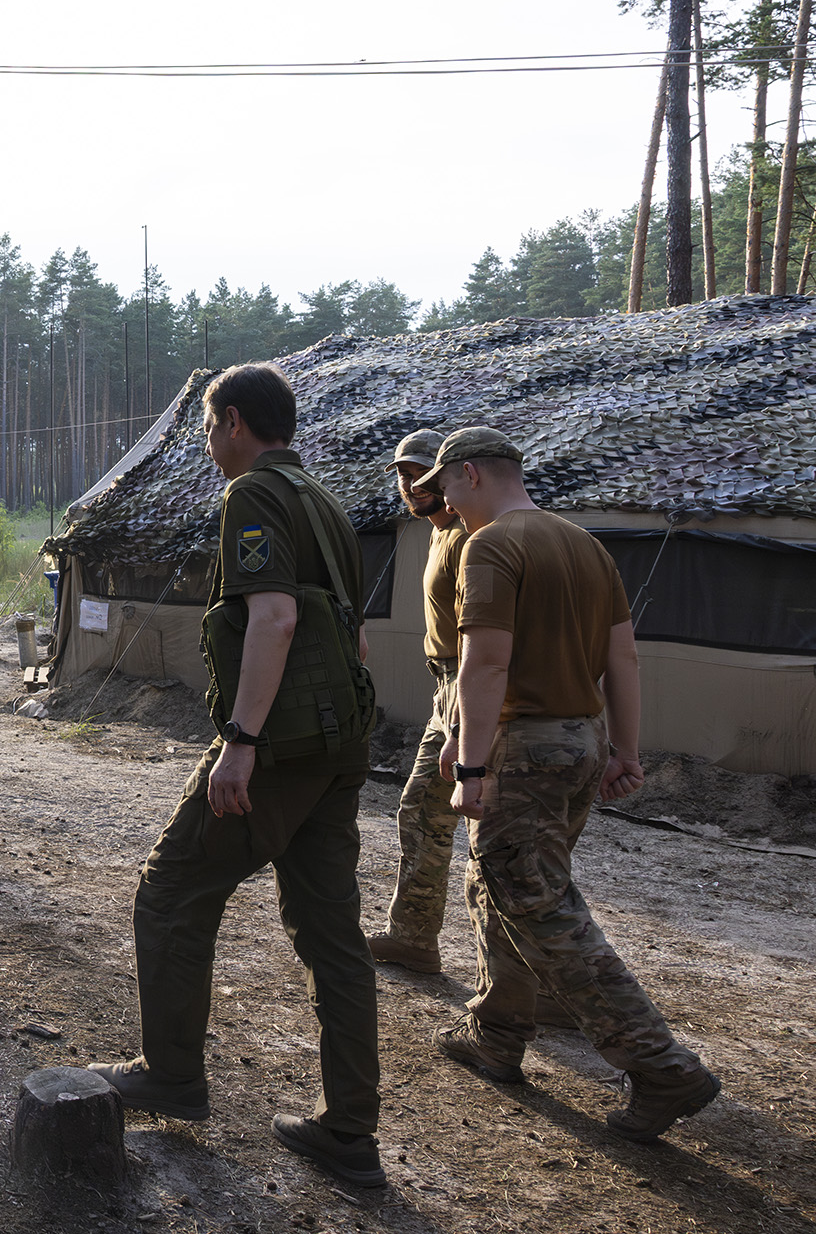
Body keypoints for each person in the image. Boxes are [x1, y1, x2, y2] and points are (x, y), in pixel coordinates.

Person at [87, 363, 385, 1189]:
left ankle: (173, 1074)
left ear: (236, 423)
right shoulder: (324, 501)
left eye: (212, 426)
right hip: (337, 749)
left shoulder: (253, 495)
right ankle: (351, 1131)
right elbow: (354, 638)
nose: (210, 442)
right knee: (334, 939)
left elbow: (277, 617)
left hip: (281, 749)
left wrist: (241, 741)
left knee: (171, 889)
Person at [421, 427, 721, 1143]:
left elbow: (486, 663)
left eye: (448, 488)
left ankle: (660, 1065)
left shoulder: (490, 545)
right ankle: (496, 1032)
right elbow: (625, 657)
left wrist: (469, 759)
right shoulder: (587, 546)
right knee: (500, 885)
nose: (443, 503)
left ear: (472, 474)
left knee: (540, 901)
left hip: (522, 746)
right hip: (579, 738)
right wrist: (624, 747)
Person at [365, 430, 460, 971]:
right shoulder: (438, 533)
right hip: (446, 688)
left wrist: (464, 722)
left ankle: (547, 978)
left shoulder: (474, 536)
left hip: (472, 689)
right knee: (422, 811)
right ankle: (413, 936)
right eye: (402, 474)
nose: (410, 483)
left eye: (421, 472)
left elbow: (484, 638)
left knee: (505, 847)